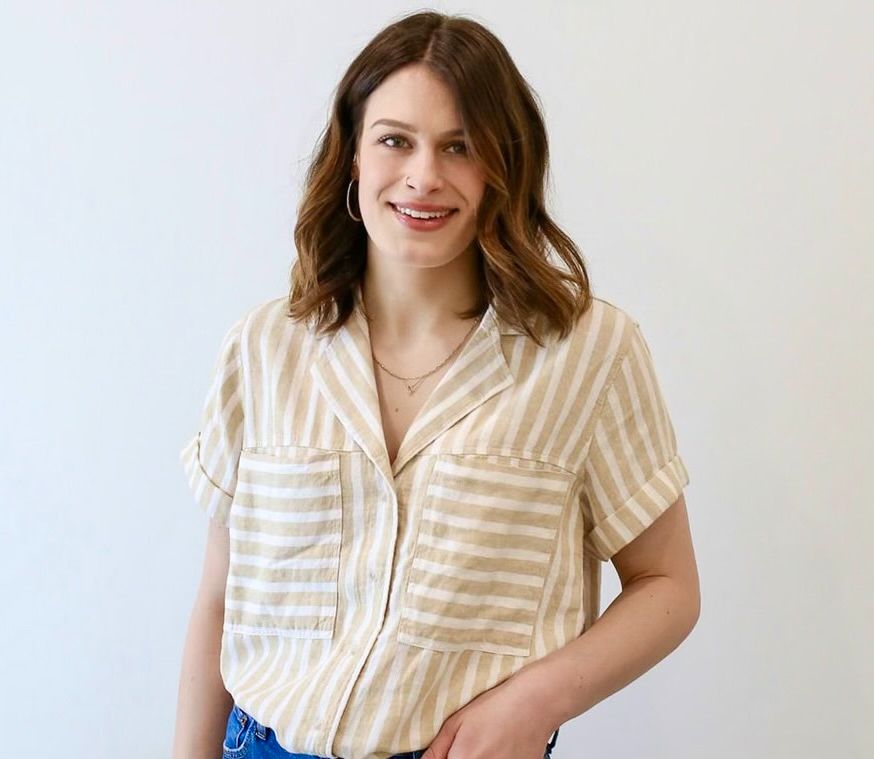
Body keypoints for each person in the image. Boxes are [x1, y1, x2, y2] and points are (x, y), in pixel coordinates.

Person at [172, 10, 700, 759]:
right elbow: (220, 602)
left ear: (502, 169)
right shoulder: (264, 348)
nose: (424, 175)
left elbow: (668, 585)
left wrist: (536, 700)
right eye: (395, 140)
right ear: (352, 156)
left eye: (460, 146)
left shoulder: (590, 352)